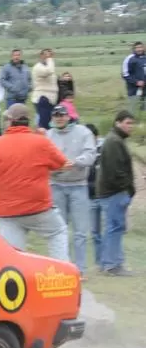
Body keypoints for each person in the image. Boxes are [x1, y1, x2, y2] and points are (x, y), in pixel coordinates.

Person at [0, 103, 72, 261]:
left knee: (13, 257)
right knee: (57, 232)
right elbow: (62, 163)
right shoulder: (41, 143)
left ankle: (17, 282)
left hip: (7, 211)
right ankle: (63, 275)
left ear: (10, 121)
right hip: (38, 208)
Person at [46, 105, 97, 278]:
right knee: (59, 229)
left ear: (69, 116)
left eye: (62, 115)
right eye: (56, 115)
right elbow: (42, 159)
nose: (59, 118)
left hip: (78, 185)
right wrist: (57, 167)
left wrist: (75, 162)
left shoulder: (83, 132)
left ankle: (80, 270)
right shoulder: (48, 135)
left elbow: (91, 155)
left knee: (80, 231)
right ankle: (62, 268)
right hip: (56, 185)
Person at [96, 111, 137, 276]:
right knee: (114, 228)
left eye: (132, 123)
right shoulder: (114, 141)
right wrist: (127, 188)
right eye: (127, 123)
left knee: (114, 228)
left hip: (113, 192)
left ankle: (112, 262)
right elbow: (115, 172)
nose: (130, 126)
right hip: (114, 192)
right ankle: (112, 265)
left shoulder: (116, 139)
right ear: (117, 122)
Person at [85, 123, 105, 270]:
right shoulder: (83, 151)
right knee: (95, 232)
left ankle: (110, 260)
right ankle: (100, 262)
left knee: (110, 230)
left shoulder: (104, 150)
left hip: (105, 195)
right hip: (90, 196)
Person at [31, 48, 57, 130]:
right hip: (43, 98)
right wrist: (50, 59)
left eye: (50, 54)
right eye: (46, 54)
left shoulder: (48, 66)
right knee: (45, 124)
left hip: (51, 99)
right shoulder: (38, 67)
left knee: (50, 123)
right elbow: (49, 71)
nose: (48, 57)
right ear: (41, 56)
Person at [121, 41, 146, 113]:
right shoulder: (129, 58)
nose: (139, 49)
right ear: (134, 49)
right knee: (133, 108)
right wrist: (136, 82)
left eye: (141, 47)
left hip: (145, 89)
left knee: (144, 109)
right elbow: (125, 74)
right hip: (134, 89)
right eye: (137, 48)